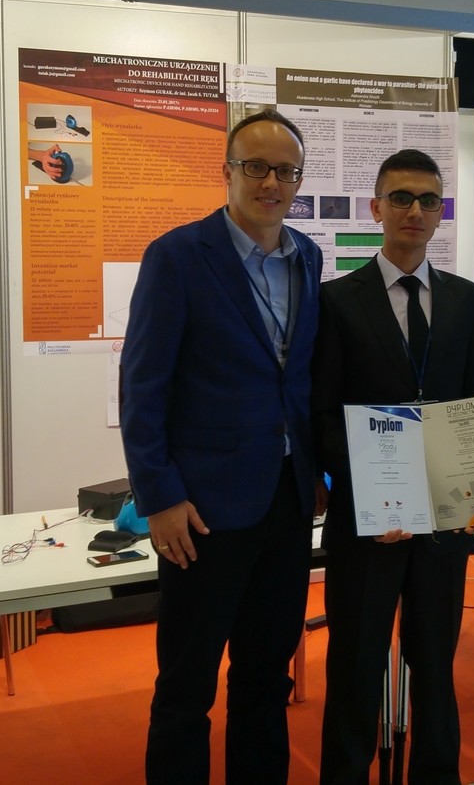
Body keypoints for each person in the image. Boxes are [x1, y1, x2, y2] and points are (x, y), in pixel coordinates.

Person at [119, 109, 323, 785]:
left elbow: (297, 379)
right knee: (187, 686)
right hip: (202, 512)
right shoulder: (178, 256)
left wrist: (316, 471)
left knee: (266, 678)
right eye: (255, 167)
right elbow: (142, 385)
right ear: (227, 172)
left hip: (286, 504)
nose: (271, 183)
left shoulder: (307, 257)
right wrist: (159, 497)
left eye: (285, 171)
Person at [313, 148, 474, 785]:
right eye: (401, 198)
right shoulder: (336, 301)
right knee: (356, 664)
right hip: (370, 524)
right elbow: (322, 413)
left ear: (440, 212)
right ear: (376, 208)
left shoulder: (465, 300)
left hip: (443, 522)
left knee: (435, 664)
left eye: (428, 200)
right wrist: (372, 496)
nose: (415, 210)